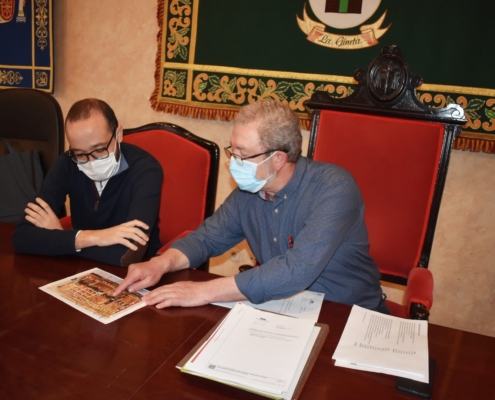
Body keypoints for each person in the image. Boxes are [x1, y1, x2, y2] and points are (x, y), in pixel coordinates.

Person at [114, 100, 387, 313]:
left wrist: (204, 291)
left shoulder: (334, 188)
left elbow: (296, 271)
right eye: (233, 151)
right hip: (283, 310)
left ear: (278, 159)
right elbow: (206, 239)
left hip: (347, 314)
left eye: (242, 155)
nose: (234, 162)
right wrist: (160, 264)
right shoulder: (251, 190)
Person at [13, 98, 163, 267]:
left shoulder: (146, 169)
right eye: (80, 154)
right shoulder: (67, 164)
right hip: (79, 269)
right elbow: (22, 237)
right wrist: (92, 237)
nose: (91, 162)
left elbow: (127, 255)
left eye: (99, 150)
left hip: (139, 272)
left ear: (118, 134)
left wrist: (61, 237)